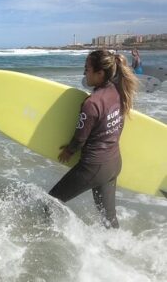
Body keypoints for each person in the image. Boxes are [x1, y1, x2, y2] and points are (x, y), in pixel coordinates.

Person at [49, 50, 138, 228]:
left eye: (87, 69)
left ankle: (48, 243)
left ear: (100, 73)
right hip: (113, 164)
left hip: (93, 167)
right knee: (109, 219)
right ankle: (117, 249)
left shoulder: (92, 103)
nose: (84, 73)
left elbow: (80, 138)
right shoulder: (118, 91)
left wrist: (68, 150)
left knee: (50, 202)